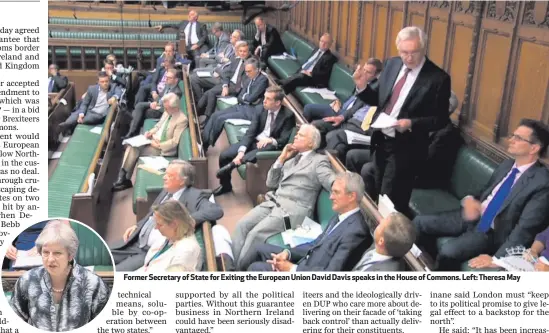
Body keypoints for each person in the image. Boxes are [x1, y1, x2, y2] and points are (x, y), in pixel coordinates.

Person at [413, 119, 549, 271]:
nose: (511, 140)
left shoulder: (542, 183)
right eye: (513, 135)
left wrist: (498, 259)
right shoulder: (507, 165)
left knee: (448, 252)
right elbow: (485, 193)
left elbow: (524, 230)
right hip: (473, 216)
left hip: (491, 232)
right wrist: (469, 200)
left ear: (534, 148)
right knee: (419, 222)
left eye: (518, 138)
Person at [353, 26, 451, 214]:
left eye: (414, 52)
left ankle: (388, 237)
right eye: (404, 52)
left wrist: (412, 123)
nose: (409, 57)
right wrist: (362, 87)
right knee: (377, 189)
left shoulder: (438, 78)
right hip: (381, 139)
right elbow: (378, 100)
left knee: (391, 198)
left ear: (423, 49)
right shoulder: (392, 64)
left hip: (406, 148)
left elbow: (440, 120)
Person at [232, 124, 335, 270]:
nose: (296, 136)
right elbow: (271, 183)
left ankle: (237, 272)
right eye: (297, 133)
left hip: (292, 212)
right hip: (273, 203)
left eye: (301, 135)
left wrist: (343, 184)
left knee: (255, 235)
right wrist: (281, 158)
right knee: (242, 225)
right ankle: (229, 267)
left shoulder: (319, 161)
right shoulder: (292, 159)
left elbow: (332, 181)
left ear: (311, 143)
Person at [110, 160, 223, 271]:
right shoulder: (167, 191)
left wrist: (187, 219)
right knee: (100, 254)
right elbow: (151, 215)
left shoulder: (194, 195)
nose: (164, 177)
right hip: (136, 239)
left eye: (170, 176)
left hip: (151, 251)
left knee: (114, 275)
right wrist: (137, 225)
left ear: (182, 181)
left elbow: (216, 210)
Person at [248, 172, 371, 271]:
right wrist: (287, 253)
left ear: (352, 196)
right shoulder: (340, 215)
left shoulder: (356, 232)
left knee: (256, 268)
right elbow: (315, 245)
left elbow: (332, 273)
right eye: (332, 191)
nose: (331, 197)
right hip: (303, 262)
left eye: (336, 192)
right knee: (258, 248)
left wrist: (291, 268)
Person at [10, 221, 109, 331]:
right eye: (46, 252)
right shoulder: (27, 281)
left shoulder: (93, 283)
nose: (50, 259)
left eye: (57, 253)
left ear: (70, 255)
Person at [214, 86, 295, 196]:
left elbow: (284, 139)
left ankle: (234, 164)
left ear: (277, 103)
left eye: (268, 99)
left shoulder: (288, 116)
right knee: (224, 156)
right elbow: (251, 132)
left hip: (270, 146)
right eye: (264, 97)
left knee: (266, 148)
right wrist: (241, 151)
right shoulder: (260, 109)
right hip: (254, 141)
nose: (264, 101)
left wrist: (270, 140)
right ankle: (226, 185)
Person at [112, 93, 188, 192]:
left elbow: (174, 142)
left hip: (162, 149)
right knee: (132, 146)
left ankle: (124, 179)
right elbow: (158, 126)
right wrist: (150, 132)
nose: (165, 110)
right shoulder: (167, 112)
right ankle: (123, 178)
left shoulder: (182, 120)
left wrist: (158, 144)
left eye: (167, 108)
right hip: (153, 140)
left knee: (133, 148)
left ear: (175, 107)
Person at [202, 59, 270, 149]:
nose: (247, 74)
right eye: (246, 71)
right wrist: (245, 98)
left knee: (221, 118)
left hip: (250, 111)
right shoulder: (249, 78)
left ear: (257, 70)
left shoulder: (262, 80)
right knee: (215, 115)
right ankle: (203, 140)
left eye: (249, 71)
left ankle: (206, 144)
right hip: (242, 105)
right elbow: (241, 96)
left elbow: (252, 98)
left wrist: (245, 98)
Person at [304, 59, 382, 122]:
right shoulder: (362, 80)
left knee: (314, 119)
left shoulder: (374, 90)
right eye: (364, 69)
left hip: (345, 115)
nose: (364, 73)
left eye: (368, 72)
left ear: (376, 75)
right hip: (341, 108)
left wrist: (341, 112)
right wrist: (339, 102)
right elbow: (352, 98)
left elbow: (357, 109)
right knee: (308, 108)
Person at [138, 200, 202, 272]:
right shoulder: (171, 236)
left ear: (174, 224)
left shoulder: (185, 252)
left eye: (159, 224)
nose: (155, 227)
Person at [123, 68, 183, 139]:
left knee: (140, 111)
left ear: (176, 80)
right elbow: (161, 97)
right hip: (158, 105)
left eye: (169, 78)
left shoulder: (176, 92)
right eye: (166, 77)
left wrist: (157, 106)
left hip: (162, 112)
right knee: (139, 106)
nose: (166, 79)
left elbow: (169, 109)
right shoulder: (168, 85)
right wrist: (155, 102)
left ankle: (132, 131)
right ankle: (132, 131)